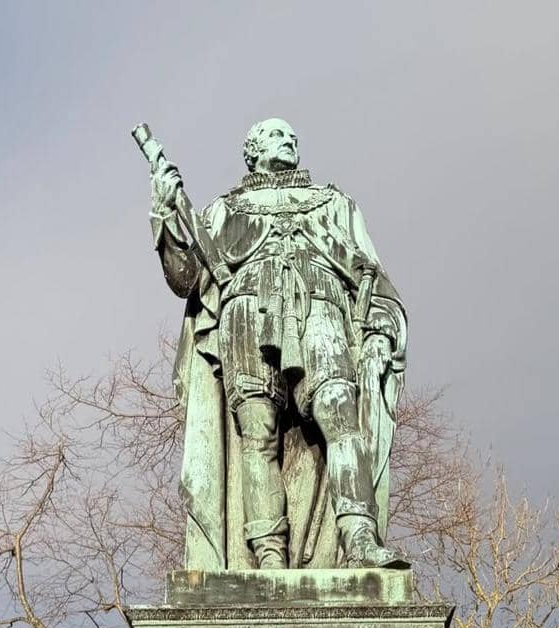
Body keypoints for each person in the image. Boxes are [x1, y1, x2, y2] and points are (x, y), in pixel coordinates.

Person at [148, 118, 407, 570]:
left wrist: (381, 330)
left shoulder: (334, 204)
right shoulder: (224, 211)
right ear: (251, 151)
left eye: (291, 136)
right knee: (257, 432)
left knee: (339, 411)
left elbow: (375, 278)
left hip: (322, 307)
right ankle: (268, 557)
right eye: (274, 135)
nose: (287, 140)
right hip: (246, 311)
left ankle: (360, 538)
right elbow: (186, 279)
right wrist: (165, 214)